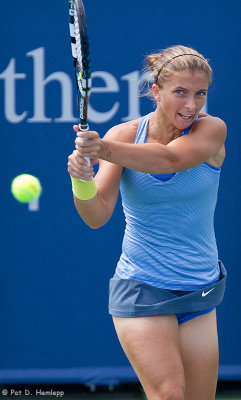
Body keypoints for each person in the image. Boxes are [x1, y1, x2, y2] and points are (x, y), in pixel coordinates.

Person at [68, 45, 227, 400]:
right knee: (169, 394)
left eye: (199, 93)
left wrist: (102, 150)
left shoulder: (212, 130)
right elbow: (97, 215)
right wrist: (81, 179)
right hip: (142, 286)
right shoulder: (125, 136)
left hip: (199, 288)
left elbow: (168, 161)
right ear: (156, 92)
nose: (191, 104)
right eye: (180, 92)